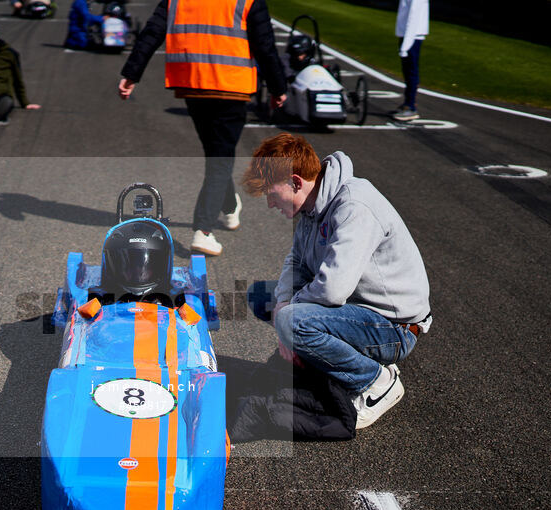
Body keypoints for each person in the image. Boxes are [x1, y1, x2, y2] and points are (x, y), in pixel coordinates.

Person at [241, 133, 432, 428]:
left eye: (271, 193)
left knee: (293, 321)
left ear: (295, 182)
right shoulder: (311, 206)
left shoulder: (355, 205)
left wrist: (287, 322)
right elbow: (296, 263)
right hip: (358, 312)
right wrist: (281, 304)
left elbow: (332, 290)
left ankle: (377, 382)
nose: (269, 203)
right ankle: (346, 356)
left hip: (395, 328)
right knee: (261, 296)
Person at [118, 0, 287, 257]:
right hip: (232, 87)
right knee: (220, 160)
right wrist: (278, 88)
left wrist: (132, 74)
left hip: (193, 86)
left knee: (218, 156)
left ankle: (229, 208)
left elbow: (151, 34)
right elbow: (265, 46)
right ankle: (203, 231)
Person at [394, 0, 429, 121]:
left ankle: (411, 106)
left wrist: (406, 44)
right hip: (407, 34)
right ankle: (408, 103)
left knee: (411, 71)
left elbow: (414, 16)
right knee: (407, 71)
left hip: (412, 36)